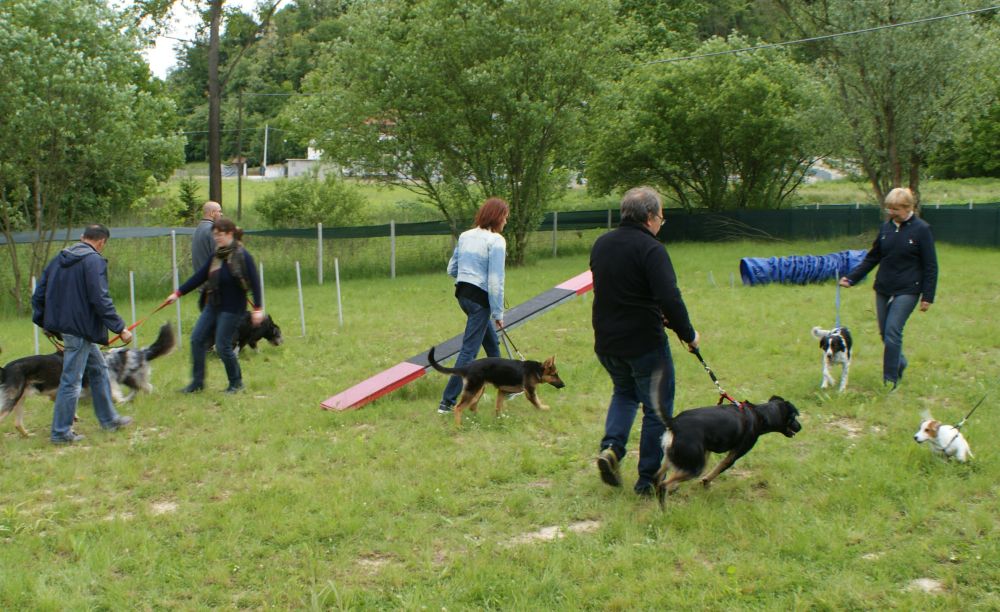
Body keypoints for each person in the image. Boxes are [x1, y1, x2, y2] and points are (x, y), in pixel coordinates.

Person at [590, 187, 699, 496]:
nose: (660, 224)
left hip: (607, 341)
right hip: (644, 343)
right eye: (661, 218)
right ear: (650, 217)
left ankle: (611, 448)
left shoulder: (602, 244)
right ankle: (649, 478)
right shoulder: (652, 249)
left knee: (624, 394)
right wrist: (688, 335)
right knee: (656, 410)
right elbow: (670, 298)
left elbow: (620, 288)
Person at [31, 224, 134, 444]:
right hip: (79, 329)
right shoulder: (93, 261)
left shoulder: (59, 259)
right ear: (101, 242)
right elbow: (100, 299)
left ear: (82, 238)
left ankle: (109, 420)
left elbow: (39, 293)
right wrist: (120, 328)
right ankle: (61, 433)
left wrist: (44, 322)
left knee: (98, 370)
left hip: (69, 327)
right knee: (71, 380)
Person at [839, 187, 937, 390]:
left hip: (909, 289)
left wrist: (928, 296)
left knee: (893, 332)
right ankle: (900, 362)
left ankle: (890, 380)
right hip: (884, 287)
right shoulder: (886, 228)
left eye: (896, 209)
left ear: (909, 207)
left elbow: (930, 265)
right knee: (885, 334)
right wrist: (852, 278)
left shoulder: (921, 229)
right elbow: (873, 257)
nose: (891, 213)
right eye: (889, 209)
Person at [166, 217, 264, 394]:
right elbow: (201, 276)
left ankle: (236, 383)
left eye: (220, 235)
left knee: (222, 345)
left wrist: (258, 308)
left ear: (230, 234)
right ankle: (197, 383)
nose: (216, 238)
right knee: (196, 339)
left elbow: (255, 283)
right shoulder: (216, 255)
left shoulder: (243, 255)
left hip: (233, 308)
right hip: (213, 304)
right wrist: (178, 293)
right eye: (215, 235)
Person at [436, 197, 509, 414]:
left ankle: (507, 386)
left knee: (492, 345)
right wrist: (498, 312)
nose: (505, 222)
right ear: (497, 217)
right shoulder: (496, 241)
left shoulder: (465, 236)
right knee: (469, 352)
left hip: (463, 296)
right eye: (505, 217)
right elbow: (496, 280)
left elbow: (452, 268)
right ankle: (447, 402)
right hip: (480, 301)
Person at [192, 200, 223, 272]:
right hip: (210, 277)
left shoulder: (198, 229)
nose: (221, 214)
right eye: (219, 211)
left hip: (199, 276)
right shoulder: (212, 230)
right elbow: (218, 257)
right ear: (212, 213)